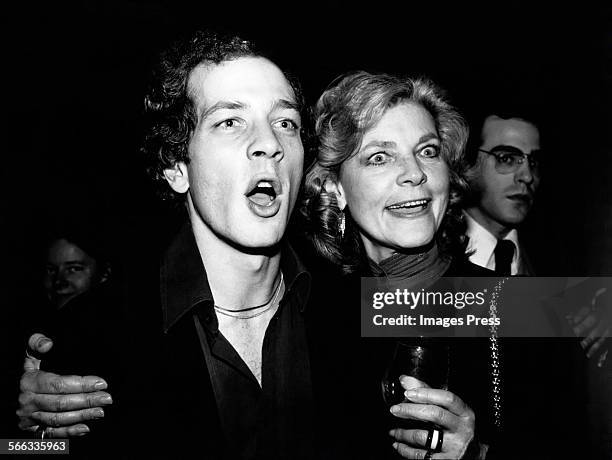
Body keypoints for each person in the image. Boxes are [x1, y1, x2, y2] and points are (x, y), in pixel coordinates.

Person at [17, 30, 314, 459]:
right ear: (178, 168)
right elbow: (21, 450)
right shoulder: (93, 334)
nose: (270, 143)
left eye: (286, 122)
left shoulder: (355, 311)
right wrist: (28, 436)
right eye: (230, 121)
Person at [301, 71, 492, 459]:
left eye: (427, 151)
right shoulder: (312, 314)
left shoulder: (522, 305)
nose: (415, 173)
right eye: (379, 157)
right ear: (335, 188)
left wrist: (479, 452)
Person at [462, 104, 542, 276]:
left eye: (534, 162)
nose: (527, 177)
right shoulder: (431, 261)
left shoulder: (556, 263)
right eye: (506, 158)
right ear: (467, 164)